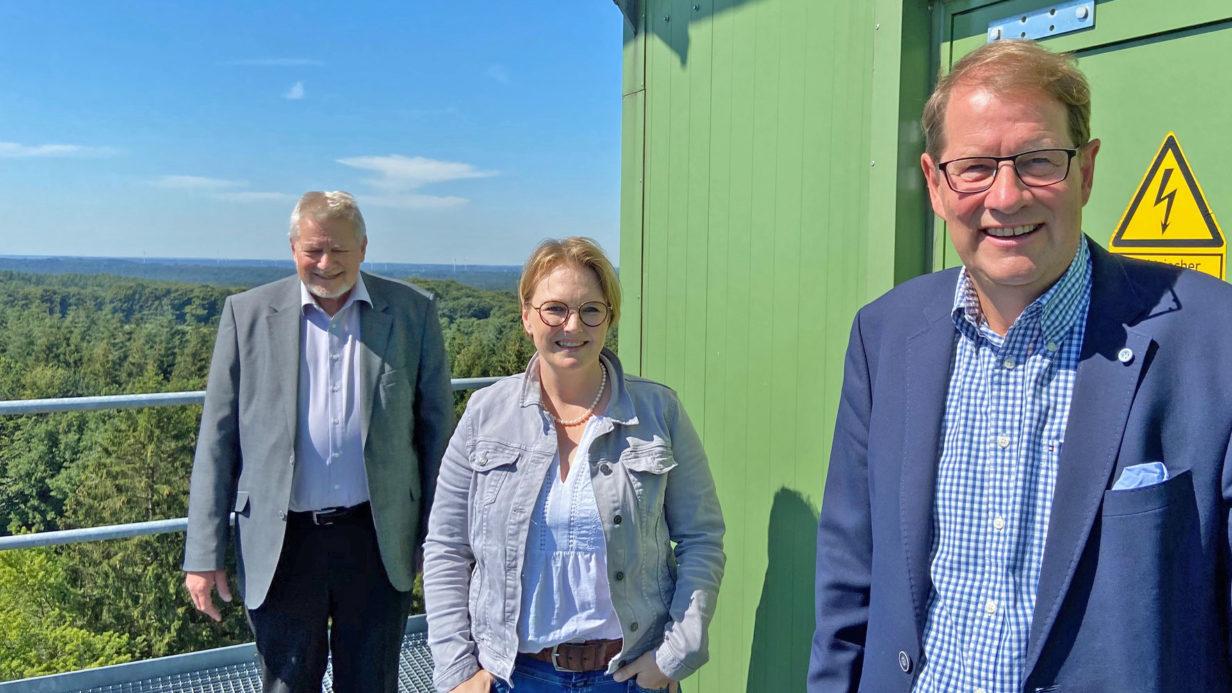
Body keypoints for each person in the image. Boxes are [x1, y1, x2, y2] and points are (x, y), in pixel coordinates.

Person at [810, 40, 1232, 693]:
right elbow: (849, 583)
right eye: (974, 167)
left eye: (1038, 161)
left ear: (1086, 171)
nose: (1005, 197)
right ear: (934, 183)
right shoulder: (884, 334)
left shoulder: (1211, 337)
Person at [423, 237, 725, 693]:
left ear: (609, 318)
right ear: (527, 316)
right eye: (555, 309)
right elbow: (446, 546)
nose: (573, 325)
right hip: (512, 676)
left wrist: (674, 654)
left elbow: (701, 537)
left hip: (627, 675)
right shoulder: (486, 414)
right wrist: (457, 670)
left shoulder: (658, 412)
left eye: (590, 310)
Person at [182, 191, 454, 692]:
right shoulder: (247, 315)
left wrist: (436, 538)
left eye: (339, 251)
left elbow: (437, 436)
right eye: (313, 251)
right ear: (293, 249)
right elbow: (217, 439)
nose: (325, 264)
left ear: (364, 248)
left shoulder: (413, 313)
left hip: (377, 538)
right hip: (281, 542)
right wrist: (204, 552)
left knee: (372, 684)